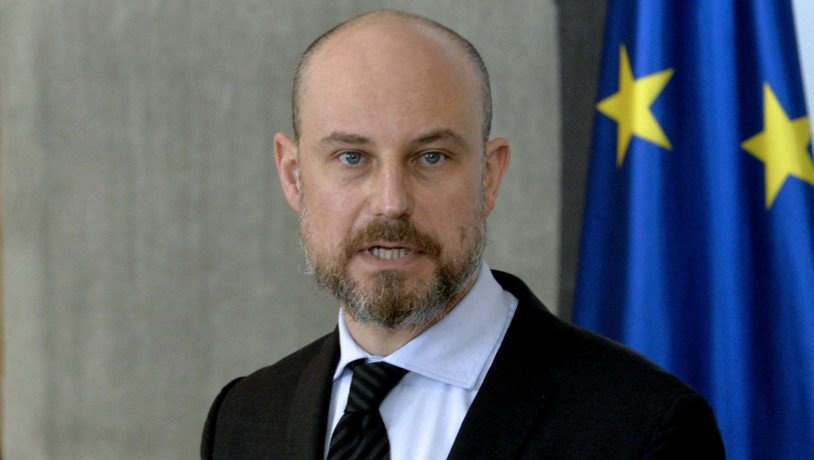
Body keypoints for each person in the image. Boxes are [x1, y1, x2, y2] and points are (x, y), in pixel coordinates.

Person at [201, 9, 725, 459]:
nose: (391, 202)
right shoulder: (243, 419)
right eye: (352, 157)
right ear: (294, 176)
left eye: (431, 157)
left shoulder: (645, 428)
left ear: (489, 177)